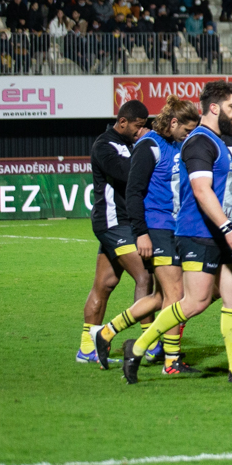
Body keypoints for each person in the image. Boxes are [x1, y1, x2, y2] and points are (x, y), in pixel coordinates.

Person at [122, 81, 232, 384]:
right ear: (215, 108)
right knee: (195, 302)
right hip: (199, 233)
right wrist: (229, 227)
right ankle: (137, 348)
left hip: (219, 234)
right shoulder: (200, 141)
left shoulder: (216, 141)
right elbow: (201, 191)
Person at [101, 96, 202, 374]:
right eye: (187, 129)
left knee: (161, 297)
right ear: (173, 122)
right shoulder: (150, 146)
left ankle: (107, 333)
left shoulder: (174, 145)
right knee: (176, 293)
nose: (189, 135)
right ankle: (171, 362)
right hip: (156, 227)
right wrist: (141, 234)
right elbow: (133, 192)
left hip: (174, 227)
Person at [77, 99, 150, 364]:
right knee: (144, 276)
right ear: (123, 122)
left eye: (143, 127)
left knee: (105, 284)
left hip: (125, 222)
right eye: (137, 126)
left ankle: (87, 348)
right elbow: (126, 173)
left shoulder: (133, 144)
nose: (139, 130)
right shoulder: (104, 145)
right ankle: (149, 344)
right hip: (113, 221)